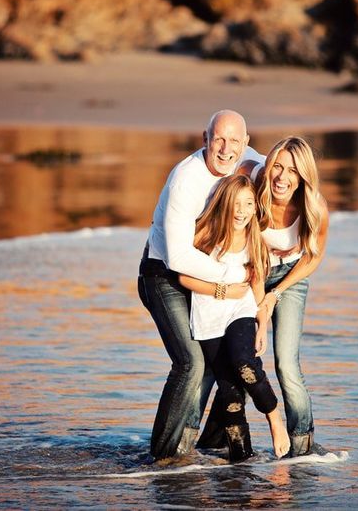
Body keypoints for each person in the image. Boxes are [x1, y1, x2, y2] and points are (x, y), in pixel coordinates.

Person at [137, 110, 264, 461]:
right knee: (190, 363)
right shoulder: (186, 179)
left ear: (245, 143)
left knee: (221, 359)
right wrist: (237, 278)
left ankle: (204, 445)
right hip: (161, 276)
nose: (226, 149)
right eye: (218, 140)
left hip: (209, 275)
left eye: (234, 142)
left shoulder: (245, 158)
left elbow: (280, 171)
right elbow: (178, 259)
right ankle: (163, 457)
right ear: (205, 139)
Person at [178, 174, 290, 461]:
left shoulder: (255, 240)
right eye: (236, 204)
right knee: (229, 395)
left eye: (248, 204)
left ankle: (274, 417)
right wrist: (221, 291)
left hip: (241, 311)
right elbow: (183, 276)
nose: (241, 211)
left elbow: (258, 290)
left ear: (255, 207)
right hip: (208, 316)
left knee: (245, 364)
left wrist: (262, 326)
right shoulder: (206, 234)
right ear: (225, 204)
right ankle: (242, 459)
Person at [253, 136, 330, 456]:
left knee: (286, 364)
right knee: (244, 358)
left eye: (293, 172)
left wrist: (277, 294)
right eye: (278, 167)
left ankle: (303, 446)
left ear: (303, 177)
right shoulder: (254, 191)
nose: (282, 178)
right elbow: (251, 259)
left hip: (291, 278)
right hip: (250, 274)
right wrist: (261, 305)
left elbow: (313, 257)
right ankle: (226, 440)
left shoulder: (315, 207)